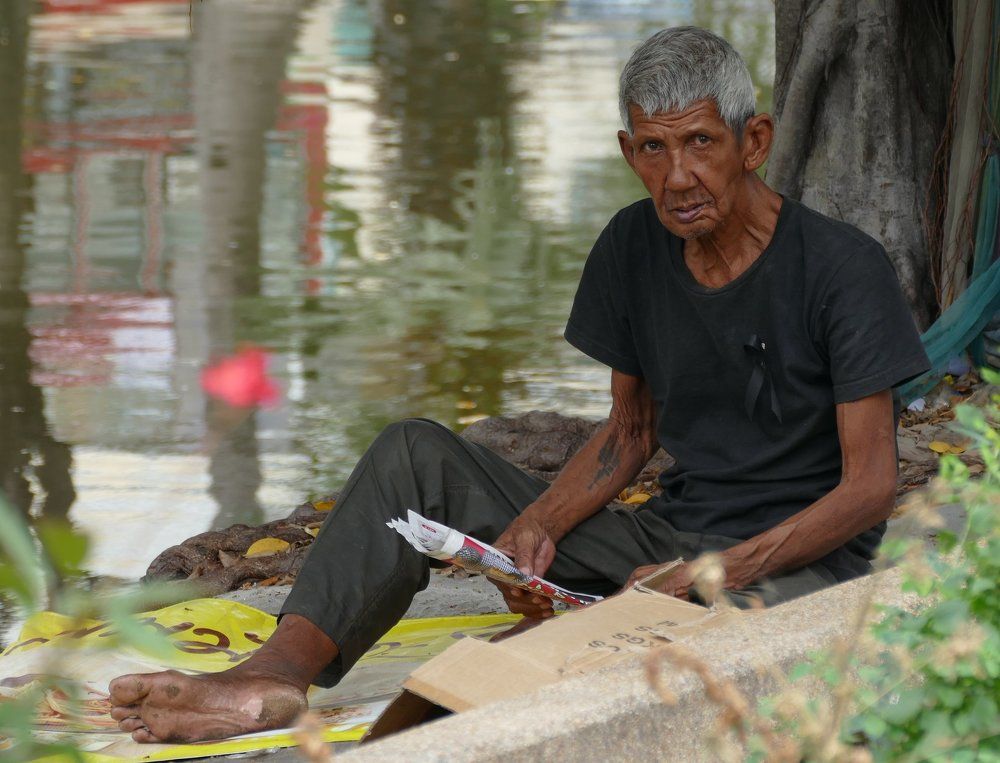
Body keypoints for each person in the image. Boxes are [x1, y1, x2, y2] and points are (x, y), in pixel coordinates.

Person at [109, 26, 930, 743]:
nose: (678, 176)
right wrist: (537, 527)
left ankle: (613, 636)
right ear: (627, 151)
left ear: (753, 142)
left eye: (701, 144)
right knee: (413, 455)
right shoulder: (630, 246)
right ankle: (276, 674)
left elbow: (869, 487)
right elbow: (630, 432)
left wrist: (711, 578)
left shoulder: (840, 268)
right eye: (654, 147)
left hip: (801, 568)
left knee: (699, 657)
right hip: (671, 540)